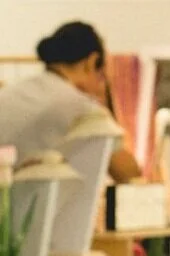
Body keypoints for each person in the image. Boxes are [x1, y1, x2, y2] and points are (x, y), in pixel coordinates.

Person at [0, 22, 141, 183]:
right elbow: (129, 173)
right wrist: (105, 105)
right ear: (91, 62)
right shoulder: (81, 107)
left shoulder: (14, 92)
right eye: (102, 76)